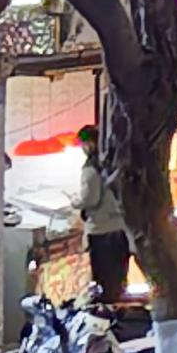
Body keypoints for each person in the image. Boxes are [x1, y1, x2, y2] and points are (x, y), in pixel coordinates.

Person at [71, 123, 132, 306]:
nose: (82, 149)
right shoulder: (113, 161)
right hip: (119, 229)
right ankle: (117, 314)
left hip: (101, 230)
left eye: (83, 144)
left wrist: (75, 201)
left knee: (104, 281)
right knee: (117, 278)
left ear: (89, 144)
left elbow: (90, 199)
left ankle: (106, 316)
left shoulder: (91, 167)